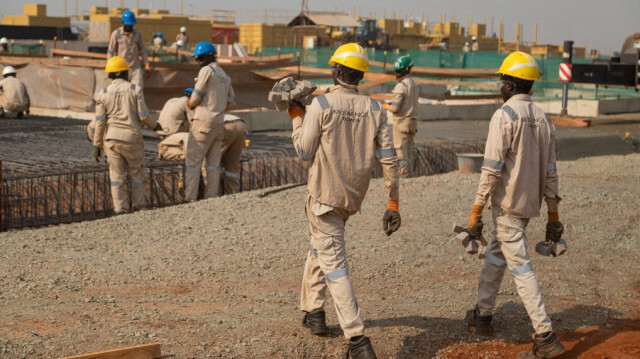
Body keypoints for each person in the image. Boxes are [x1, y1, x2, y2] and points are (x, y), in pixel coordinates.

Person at [288, 43, 400, 359]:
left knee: (335, 265)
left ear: (336, 71)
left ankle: (357, 340)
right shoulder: (376, 109)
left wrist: (296, 118)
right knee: (319, 247)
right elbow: (389, 159)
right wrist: (393, 203)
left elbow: (304, 153)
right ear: (360, 74)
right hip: (350, 199)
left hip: (324, 198)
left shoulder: (321, 105)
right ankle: (314, 312)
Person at [464, 51, 566, 359]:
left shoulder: (504, 116)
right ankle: (482, 316)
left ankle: (545, 335)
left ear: (509, 84)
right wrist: (552, 214)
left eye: (501, 81)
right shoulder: (544, 119)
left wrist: (476, 211)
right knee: (497, 256)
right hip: (528, 206)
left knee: (521, 268)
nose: (499, 86)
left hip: (507, 207)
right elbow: (551, 173)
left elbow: (492, 169)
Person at [92, 56, 159, 214]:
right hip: (132, 138)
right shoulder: (135, 90)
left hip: (112, 140)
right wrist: (155, 126)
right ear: (125, 73)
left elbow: (100, 122)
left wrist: (96, 145)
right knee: (136, 174)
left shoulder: (103, 93)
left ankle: (120, 209)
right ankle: (139, 206)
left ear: (110, 75)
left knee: (116, 177)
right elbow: (143, 116)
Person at [184, 41, 235, 202]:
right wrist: (218, 108)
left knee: (193, 162)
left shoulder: (207, 71)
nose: (198, 62)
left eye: (200, 58)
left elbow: (196, 94)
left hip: (202, 122)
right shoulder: (224, 76)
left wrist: (191, 104)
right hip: (219, 123)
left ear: (209, 56)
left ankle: (190, 198)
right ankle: (211, 198)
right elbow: (232, 100)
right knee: (213, 165)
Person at [383, 56, 419, 178]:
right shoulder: (414, 84)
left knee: (401, 152)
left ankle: (404, 176)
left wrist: (385, 105)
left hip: (401, 123)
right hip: (412, 122)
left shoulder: (401, 86)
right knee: (409, 151)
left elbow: (395, 108)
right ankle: (410, 174)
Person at [107, 10, 150, 88]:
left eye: (131, 25)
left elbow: (143, 50)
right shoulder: (116, 34)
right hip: (121, 69)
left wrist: (146, 64)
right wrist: (110, 68)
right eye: (128, 25)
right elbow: (111, 51)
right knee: (121, 90)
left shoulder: (138, 34)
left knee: (137, 90)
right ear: (123, 23)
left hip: (135, 68)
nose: (130, 27)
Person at [220, 113, 247, 194]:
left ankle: (213, 195)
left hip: (226, 125)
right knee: (232, 165)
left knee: (210, 163)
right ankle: (233, 193)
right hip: (241, 123)